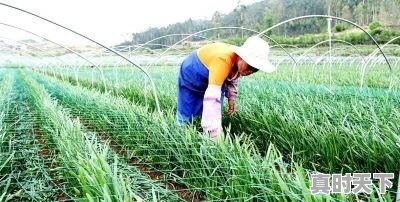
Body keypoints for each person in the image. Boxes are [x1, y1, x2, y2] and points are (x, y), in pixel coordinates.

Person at [176, 35, 276, 139]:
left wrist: (231, 99)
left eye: (255, 69)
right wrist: (215, 137)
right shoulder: (223, 60)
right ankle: (181, 134)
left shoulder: (237, 62)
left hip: (215, 71)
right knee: (188, 104)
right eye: (250, 66)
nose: (251, 71)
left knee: (215, 109)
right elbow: (212, 99)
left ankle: (207, 128)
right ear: (241, 57)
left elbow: (233, 77)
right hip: (193, 70)